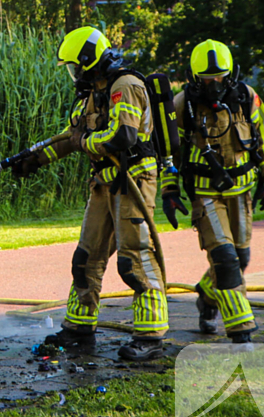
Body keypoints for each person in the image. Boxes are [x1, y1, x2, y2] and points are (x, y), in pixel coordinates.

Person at [12, 27, 169, 361]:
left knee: (135, 259)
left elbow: (121, 136)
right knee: (86, 258)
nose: (74, 74)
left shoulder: (124, 86)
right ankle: (79, 327)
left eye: (75, 66)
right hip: (103, 183)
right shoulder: (93, 93)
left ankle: (150, 336)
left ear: (89, 60)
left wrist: (84, 141)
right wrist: (35, 158)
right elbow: (72, 136)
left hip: (133, 181)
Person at [160, 39, 264, 344]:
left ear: (230, 74)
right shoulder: (180, 105)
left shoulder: (246, 97)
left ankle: (206, 294)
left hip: (242, 193)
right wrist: (169, 188)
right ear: (194, 76)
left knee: (241, 257)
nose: (213, 85)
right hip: (205, 195)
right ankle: (241, 330)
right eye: (206, 79)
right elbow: (166, 153)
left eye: (219, 78)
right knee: (226, 260)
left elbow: (263, 138)